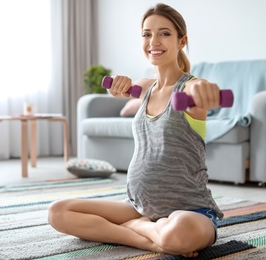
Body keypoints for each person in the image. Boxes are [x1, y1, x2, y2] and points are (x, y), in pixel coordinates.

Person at [48, 3, 224, 257]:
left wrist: (206, 92)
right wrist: (116, 86)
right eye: (147, 34)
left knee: (180, 235)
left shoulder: (190, 88)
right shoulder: (145, 87)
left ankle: (144, 231)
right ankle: (149, 236)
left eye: (164, 33)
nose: (154, 41)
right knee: (58, 211)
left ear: (181, 40)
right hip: (138, 207)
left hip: (191, 211)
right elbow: (125, 89)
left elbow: (202, 90)